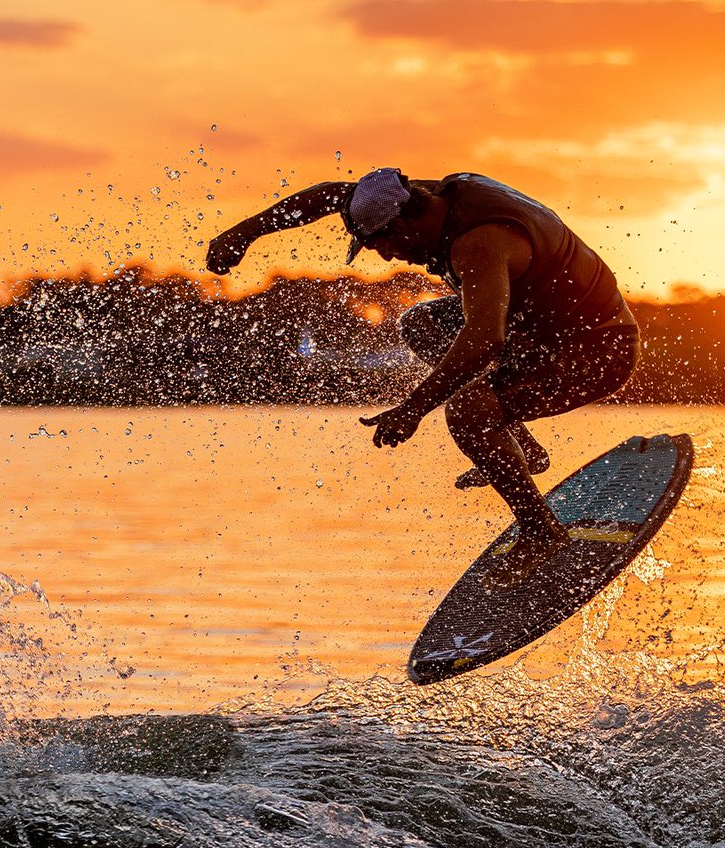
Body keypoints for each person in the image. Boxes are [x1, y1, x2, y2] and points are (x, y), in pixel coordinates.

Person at [206, 168, 640, 588]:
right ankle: (520, 445)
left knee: (468, 411)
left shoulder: (479, 246)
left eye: (385, 245)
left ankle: (541, 533)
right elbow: (324, 195)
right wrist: (242, 234)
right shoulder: (422, 194)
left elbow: (485, 338)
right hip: (538, 332)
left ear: (403, 223)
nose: (391, 257)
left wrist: (413, 409)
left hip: (597, 351)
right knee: (421, 324)